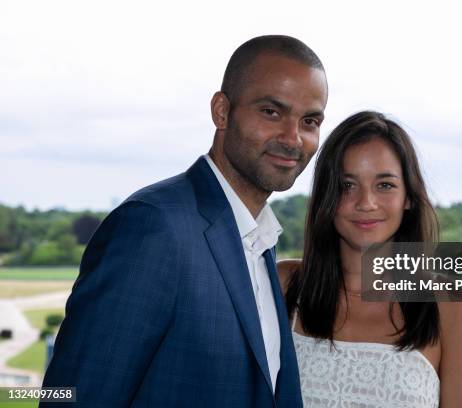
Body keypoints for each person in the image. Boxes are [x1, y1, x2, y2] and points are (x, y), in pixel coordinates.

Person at [41, 35, 328, 407]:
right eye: (271, 112)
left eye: (310, 121)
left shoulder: (260, 243)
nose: (293, 138)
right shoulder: (152, 228)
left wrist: (422, 273)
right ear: (221, 111)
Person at [278, 111, 462, 407]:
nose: (366, 203)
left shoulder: (450, 304)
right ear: (326, 197)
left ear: (408, 197)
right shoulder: (285, 285)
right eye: (347, 185)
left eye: (384, 185)